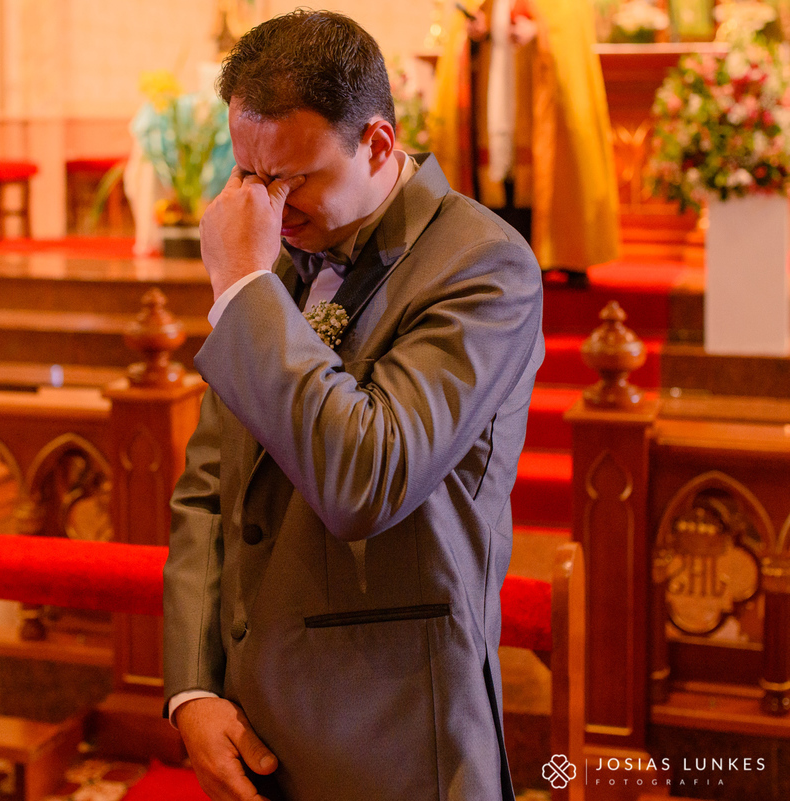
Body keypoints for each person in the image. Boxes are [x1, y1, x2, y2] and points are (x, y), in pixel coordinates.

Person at [162, 10, 545, 801]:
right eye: (249, 174)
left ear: (377, 143)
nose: (267, 204)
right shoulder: (281, 254)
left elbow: (367, 477)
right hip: (251, 723)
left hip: (391, 732)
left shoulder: (482, 265)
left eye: (294, 177)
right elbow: (211, 486)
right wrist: (193, 688)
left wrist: (242, 288)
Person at [428, 0, 620, 288]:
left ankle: (560, 253)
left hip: (537, 87)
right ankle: (492, 251)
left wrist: (540, 30)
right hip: (495, 82)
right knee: (496, 165)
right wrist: (477, 30)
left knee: (554, 162)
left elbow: (569, 25)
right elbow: (465, 25)